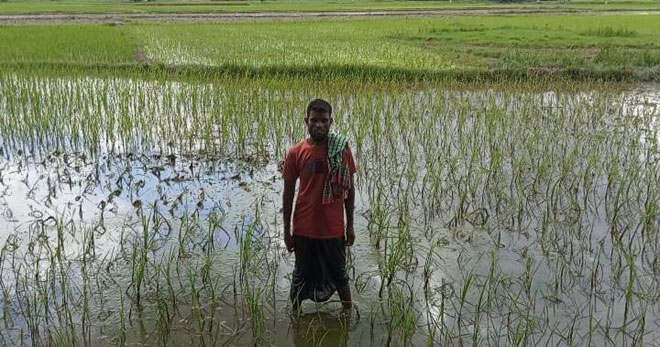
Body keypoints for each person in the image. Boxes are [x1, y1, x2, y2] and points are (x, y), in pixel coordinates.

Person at [282, 98, 357, 311]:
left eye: (324, 120)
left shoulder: (341, 151)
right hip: (304, 230)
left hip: (332, 230)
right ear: (306, 121)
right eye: (314, 120)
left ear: (331, 122)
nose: (319, 125)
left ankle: (347, 314)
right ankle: (295, 322)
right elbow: (287, 196)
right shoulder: (295, 152)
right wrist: (286, 232)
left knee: (340, 276)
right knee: (299, 278)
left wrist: (349, 226)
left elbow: (349, 191)